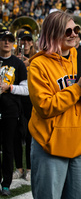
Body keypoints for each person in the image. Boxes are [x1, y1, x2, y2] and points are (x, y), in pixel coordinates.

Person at [27, 11, 81, 198]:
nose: (74, 34)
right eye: (68, 31)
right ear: (53, 33)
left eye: (76, 29)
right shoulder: (39, 64)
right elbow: (45, 106)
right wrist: (78, 88)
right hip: (50, 146)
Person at [0, 30, 28, 196]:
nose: (6, 43)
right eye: (3, 39)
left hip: (10, 111)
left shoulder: (18, 64)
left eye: (10, 40)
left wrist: (8, 87)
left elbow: (26, 90)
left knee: (8, 148)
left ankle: (6, 184)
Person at [13, 30, 37, 182]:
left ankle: (29, 168)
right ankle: (19, 168)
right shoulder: (13, 58)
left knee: (29, 135)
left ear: (32, 42)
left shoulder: (37, 59)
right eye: (23, 40)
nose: (26, 43)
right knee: (16, 134)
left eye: (28, 40)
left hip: (30, 99)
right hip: (16, 98)